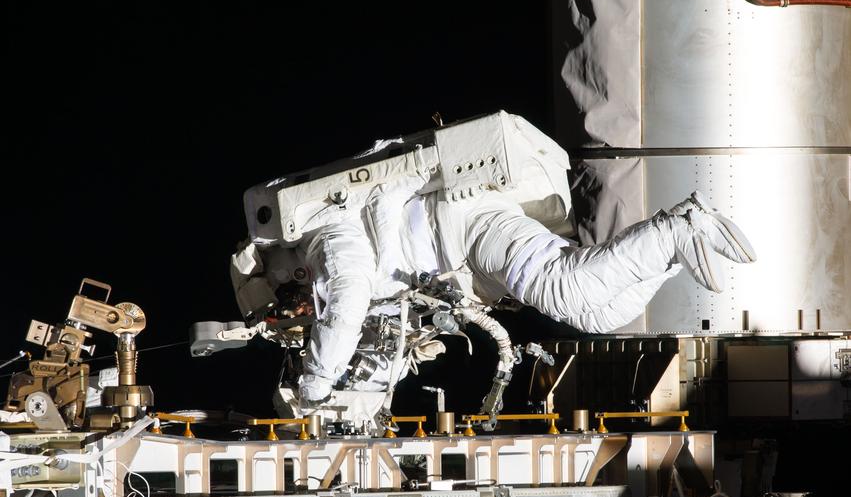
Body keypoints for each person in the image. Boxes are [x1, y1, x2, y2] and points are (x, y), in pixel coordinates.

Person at [231, 113, 755, 413]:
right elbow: (375, 330)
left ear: (278, 268)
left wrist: (313, 386)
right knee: (599, 316)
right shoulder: (336, 258)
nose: (298, 308)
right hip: (466, 259)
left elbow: (343, 304)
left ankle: (678, 226)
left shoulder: (327, 235)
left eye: (287, 301)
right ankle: (673, 254)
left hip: (466, 223)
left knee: (566, 289)